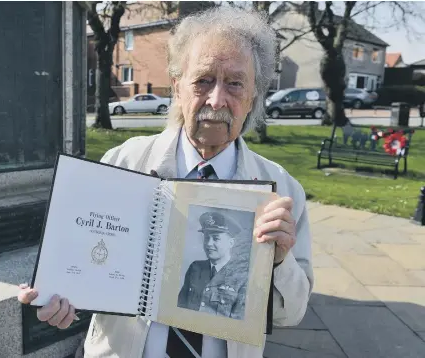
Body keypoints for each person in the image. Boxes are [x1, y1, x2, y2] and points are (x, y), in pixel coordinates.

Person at [18, 5, 313, 358]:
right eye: (203, 80)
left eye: (235, 84)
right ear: (177, 86)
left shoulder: (281, 191)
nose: (217, 100)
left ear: (253, 96)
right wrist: (59, 298)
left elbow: (291, 313)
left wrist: (279, 262)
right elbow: (86, 266)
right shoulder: (121, 165)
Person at [177, 211, 247, 320]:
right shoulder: (195, 268)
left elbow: (238, 323)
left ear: (231, 243)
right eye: (206, 238)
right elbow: (180, 307)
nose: (209, 243)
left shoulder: (242, 277)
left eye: (216, 238)